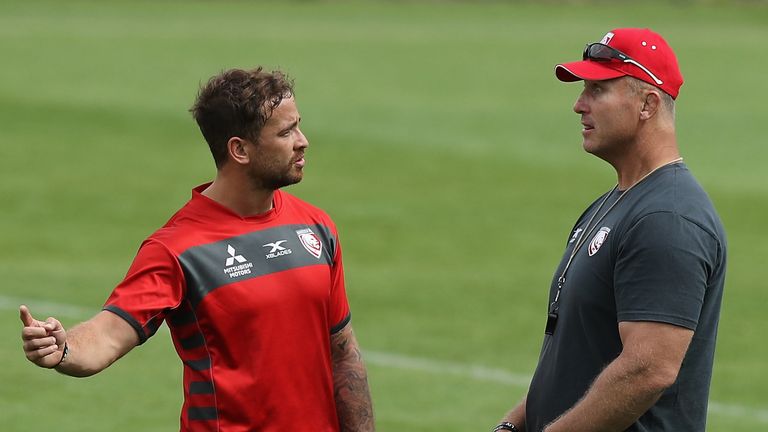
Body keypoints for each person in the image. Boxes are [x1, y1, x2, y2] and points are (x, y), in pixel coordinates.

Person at [20, 67, 375, 431]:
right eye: (286, 132)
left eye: (298, 125)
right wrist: (63, 349)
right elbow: (110, 333)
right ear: (239, 149)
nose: (303, 141)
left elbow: (344, 353)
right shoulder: (178, 249)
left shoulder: (315, 228)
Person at [494, 28, 726, 432]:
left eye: (597, 90)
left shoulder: (667, 218)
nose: (579, 105)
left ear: (648, 104)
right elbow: (571, 358)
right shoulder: (617, 202)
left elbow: (648, 370)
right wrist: (513, 425)